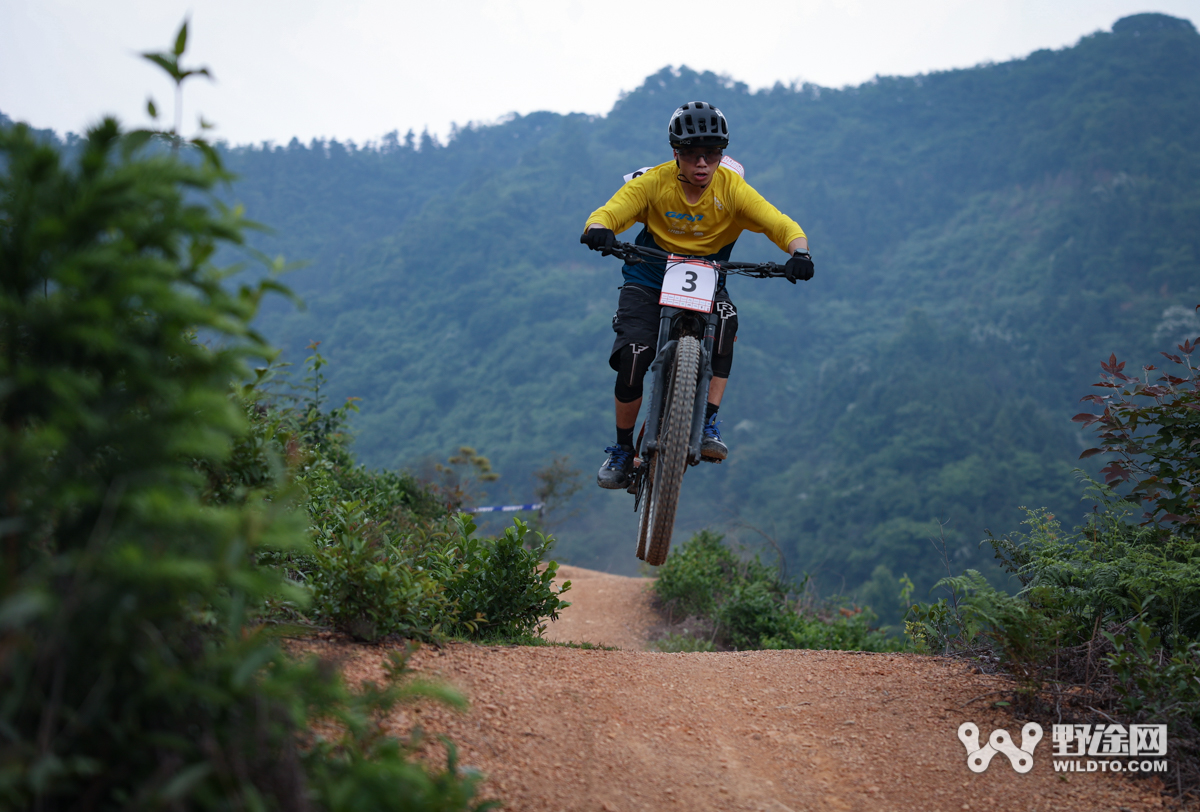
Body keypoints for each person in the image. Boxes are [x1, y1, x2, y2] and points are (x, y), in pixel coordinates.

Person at [581, 101, 814, 489]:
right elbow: (611, 211)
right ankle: (622, 449)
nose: (702, 163)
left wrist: (799, 253)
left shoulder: (732, 190)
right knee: (634, 356)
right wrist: (599, 228)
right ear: (676, 154)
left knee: (725, 320)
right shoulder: (654, 183)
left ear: (722, 155)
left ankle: (706, 422)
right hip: (648, 275)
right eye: (692, 154)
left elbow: (780, 224)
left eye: (712, 153)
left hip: (708, 278)